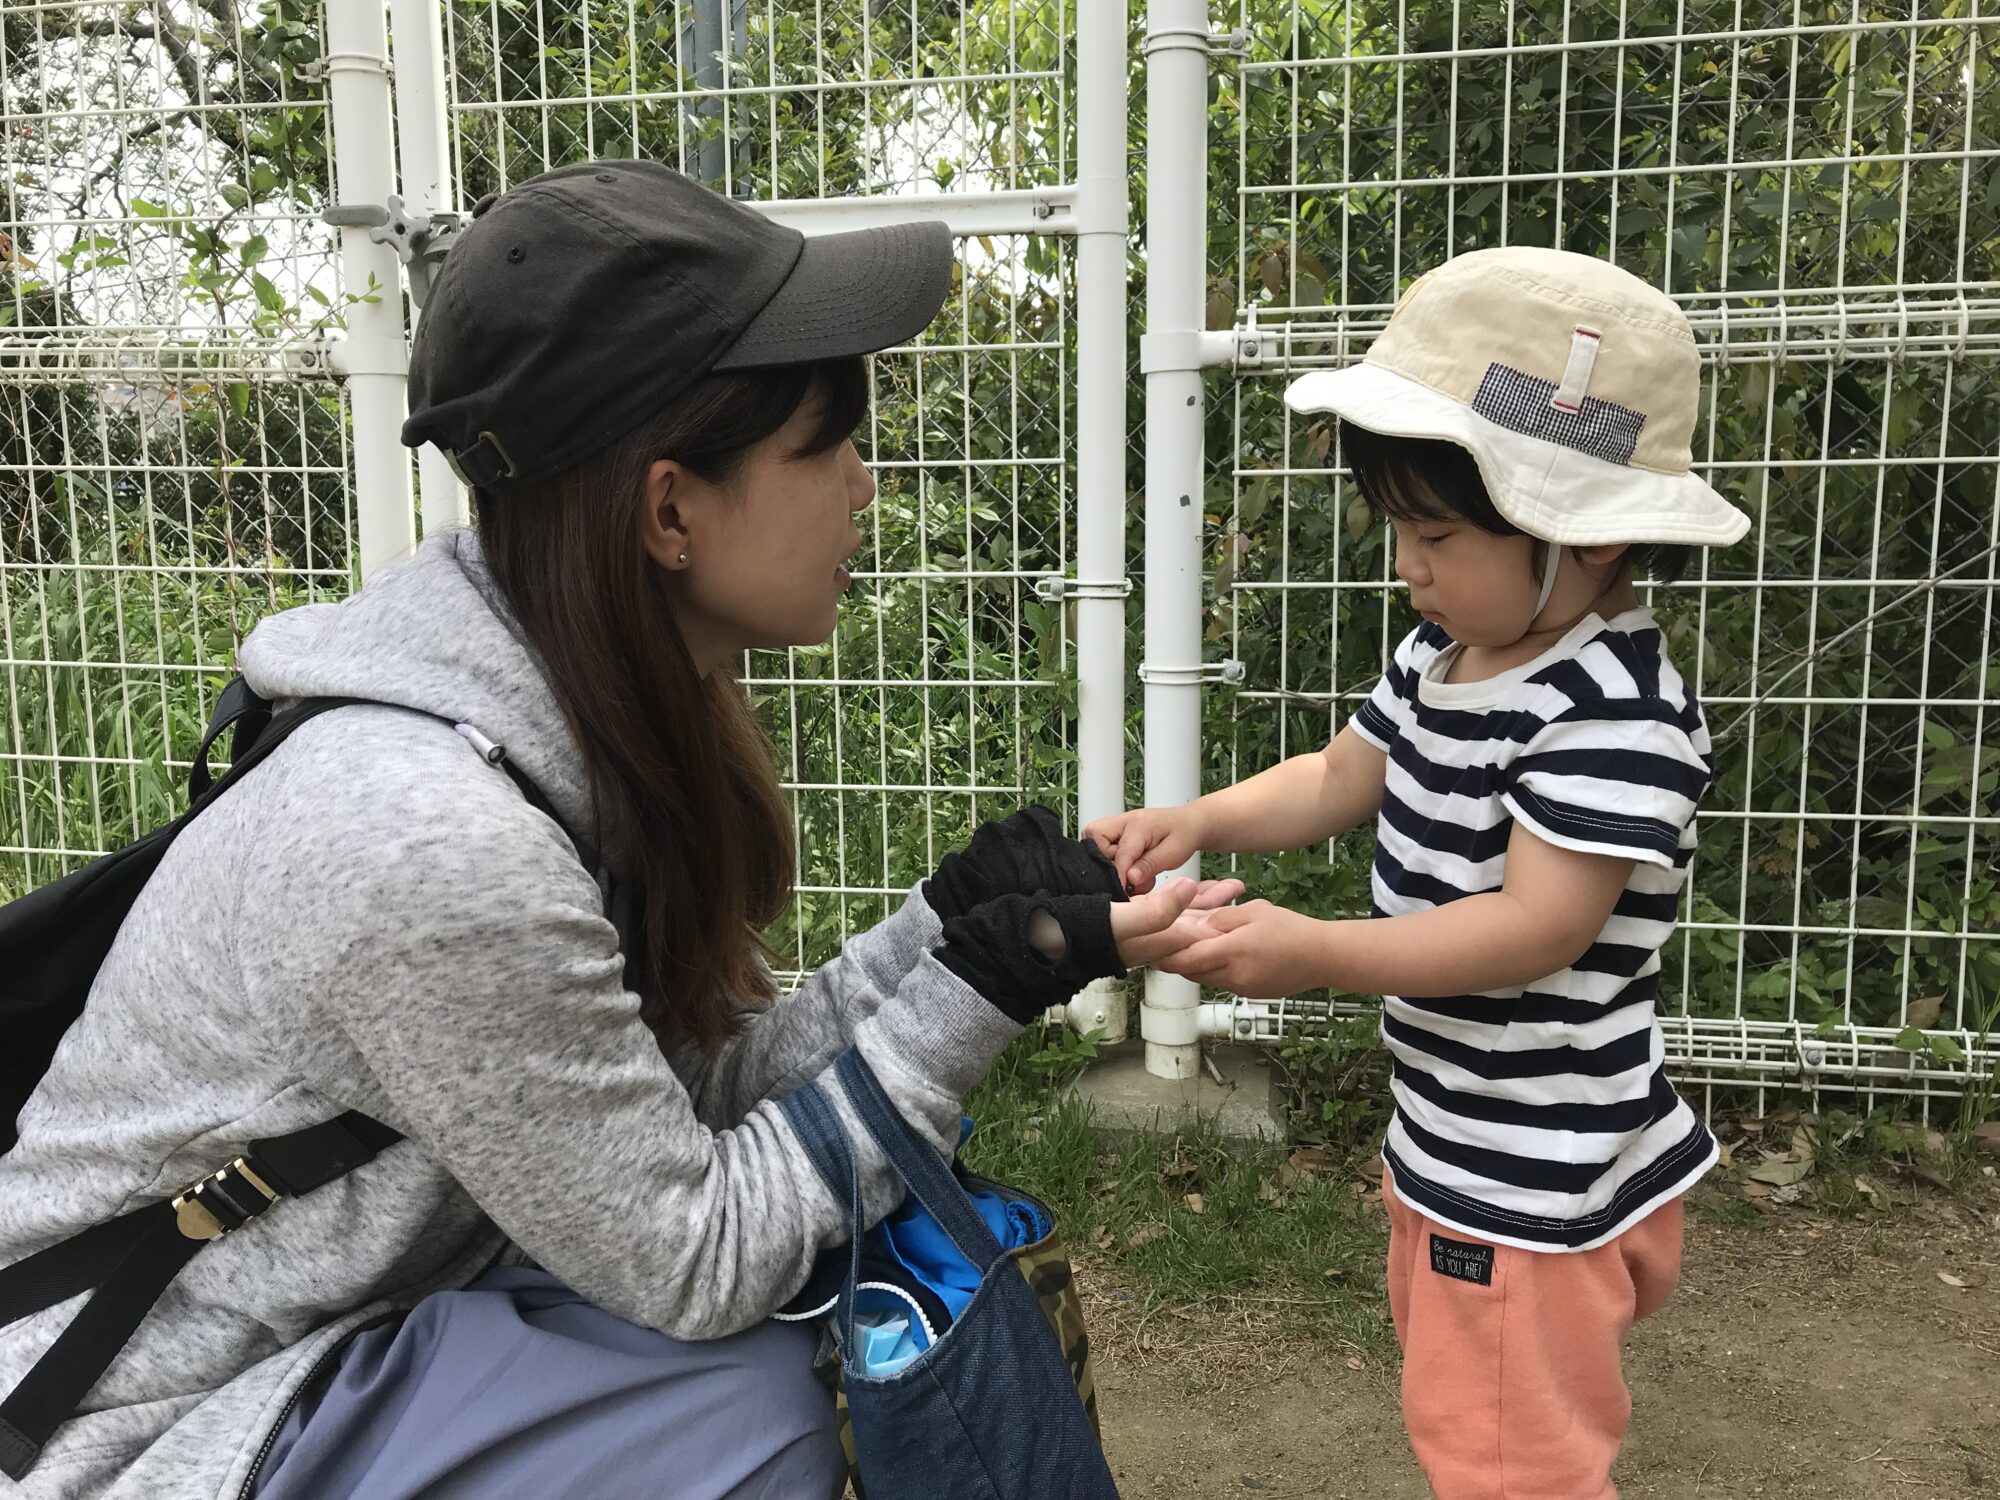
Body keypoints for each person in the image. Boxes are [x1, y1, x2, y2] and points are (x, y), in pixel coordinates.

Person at [0, 160, 1232, 1499]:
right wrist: (974, 1001)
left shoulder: (556, 713)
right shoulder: (431, 844)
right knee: (766, 1412)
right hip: (139, 1429)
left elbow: (681, 1115)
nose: (865, 488)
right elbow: (694, 1251)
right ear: (666, 510)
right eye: (823, 447)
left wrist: (950, 936)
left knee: (810, 1326)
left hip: (366, 1325)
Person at [1087, 248, 1751, 1500]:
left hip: (1528, 1162)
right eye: (1396, 529)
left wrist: (1313, 952)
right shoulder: (1445, 654)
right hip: (1457, 1132)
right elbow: (1340, 775)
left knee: (1508, 1467)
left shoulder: (1610, 711)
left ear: (1588, 539)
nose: (1407, 565)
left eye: (1436, 533)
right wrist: (1194, 820)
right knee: (1478, 1418)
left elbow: (1536, 927)